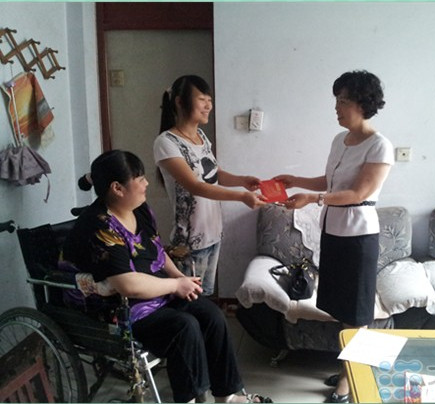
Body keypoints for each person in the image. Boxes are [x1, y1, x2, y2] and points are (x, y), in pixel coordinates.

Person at [64, 150, 271, 403]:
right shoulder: (99, 225)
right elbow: (127, 285)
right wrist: (174, 285)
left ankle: (226, 396)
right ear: (117, 188)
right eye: (140, 178)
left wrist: (181, 279)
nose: (146, 183)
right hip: (120, 308)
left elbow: (157, 251)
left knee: (211, 314)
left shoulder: (139, 209)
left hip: (156, 293)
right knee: (184, 327)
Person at [275, 70, 394, 403]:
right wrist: (295, 181)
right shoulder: (339, 140)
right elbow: (331, 183)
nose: (337, 107)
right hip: (333, 231)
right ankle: (349, 367)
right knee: (341, 308)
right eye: (336, 100)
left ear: (363, 103)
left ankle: (348, 381)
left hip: (358, 236)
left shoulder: (380, 146)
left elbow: (358, 193)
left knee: (356, 312)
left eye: (343, 101)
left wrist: (312, 199)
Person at [154, 75, 266, 296]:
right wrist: (241, 197)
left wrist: (242, 181)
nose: (208, 106)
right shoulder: (166, 142)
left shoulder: (201, 137)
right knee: (189, 300)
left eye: (210, 100)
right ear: (179, 102)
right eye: (202, 99)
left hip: (213, 232)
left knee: (205, 296)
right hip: (189, 240)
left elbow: (215, 175)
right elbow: (195, 186)